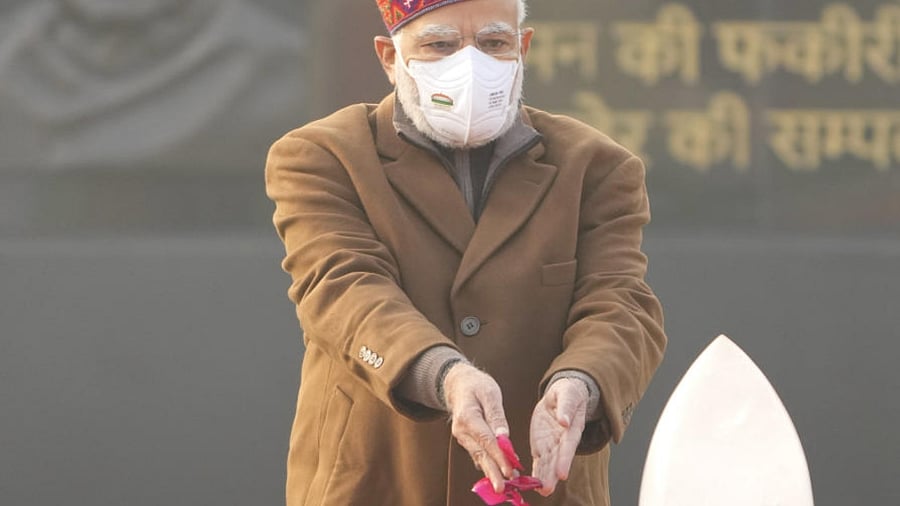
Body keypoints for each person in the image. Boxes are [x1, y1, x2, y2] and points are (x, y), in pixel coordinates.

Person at [265, 1, 666, 504]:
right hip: (377, 480)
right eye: (440, 45)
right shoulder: (324, 155)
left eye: (494, 43)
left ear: (522, 49)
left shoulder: (597, 166)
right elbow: (341, 285)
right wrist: (446, 376)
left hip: (545, 486)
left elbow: (621, 304)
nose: (471, 64)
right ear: (390, 57)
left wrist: (580, 384)